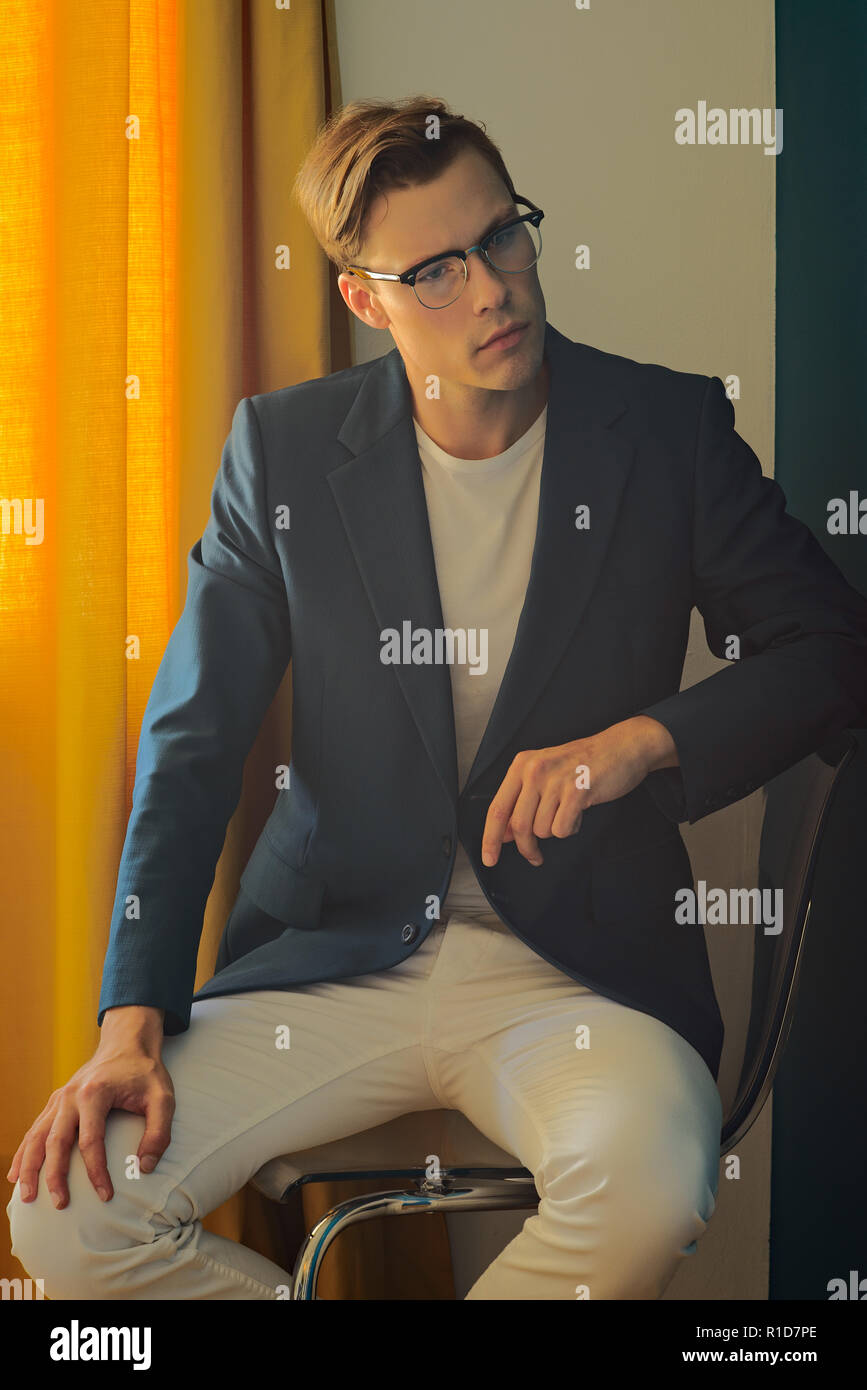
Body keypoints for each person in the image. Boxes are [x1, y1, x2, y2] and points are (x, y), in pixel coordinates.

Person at [8, 95, 867, 1300]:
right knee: (66, 1224)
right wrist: (129, 1021)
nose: (495, 290)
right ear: (365, 299)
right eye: (437, 271)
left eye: (503, 236)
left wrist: (639, 742)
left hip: (580, 974)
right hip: (331, 962)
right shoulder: (285, 453)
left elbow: (829, 648)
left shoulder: (664, 432)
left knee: (651, 1188)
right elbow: (191, 743)